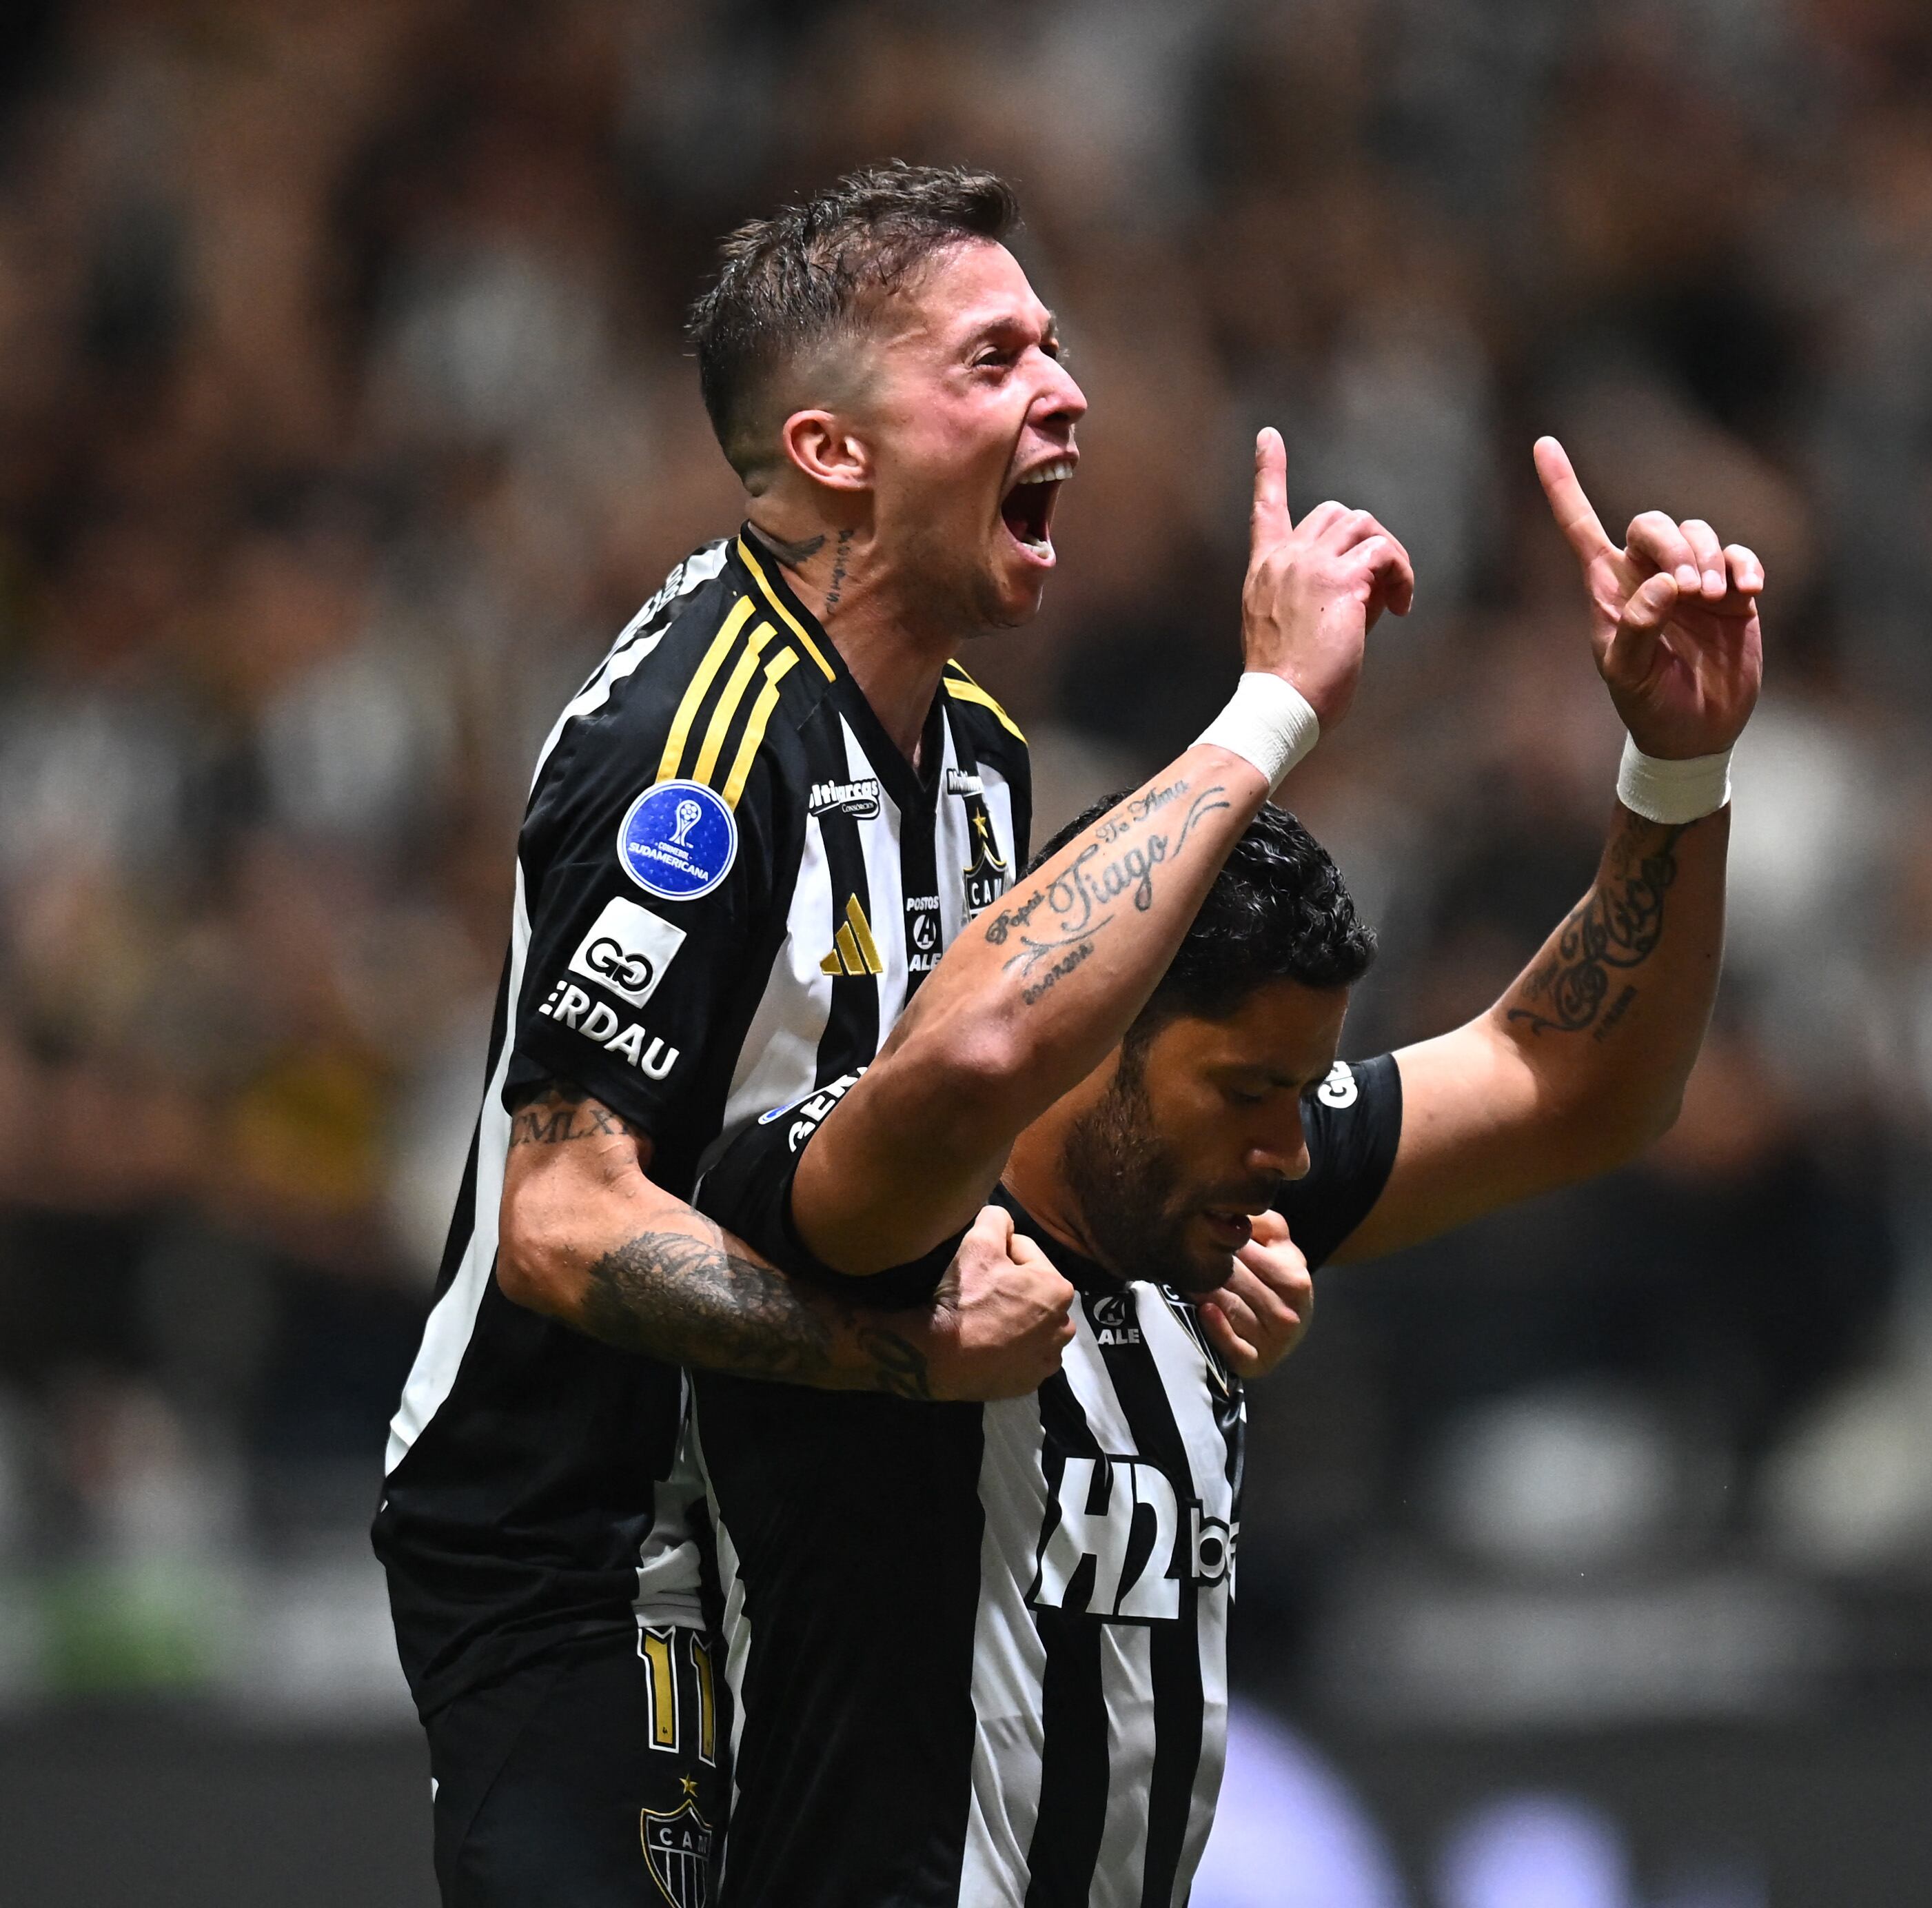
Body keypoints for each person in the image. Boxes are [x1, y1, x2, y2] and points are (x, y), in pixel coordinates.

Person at [372, 161, 1412, 1907]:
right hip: (588, 1544)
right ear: (836, 450)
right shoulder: (702, 742)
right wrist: (913, 1364)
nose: (1065, 391)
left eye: (1055, 349)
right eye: (994, 360)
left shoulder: (984, 754)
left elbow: (967, 1151)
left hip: (805, 1522)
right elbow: (557, 1220)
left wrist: (1181, 1262)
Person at [689, 440, 1765, 1906]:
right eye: (1246, 1090)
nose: (1289, 1141)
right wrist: (1271, 710)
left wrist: (1678, 767)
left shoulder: (1216, 1215)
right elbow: (973, 1043)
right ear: (1099, 1040)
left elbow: (1574, 1082)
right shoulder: (874, 1211)